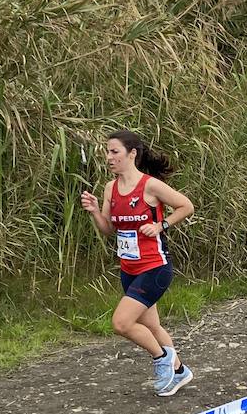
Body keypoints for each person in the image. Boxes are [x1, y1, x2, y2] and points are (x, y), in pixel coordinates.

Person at [80, 130, 195, 397]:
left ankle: (161, 359)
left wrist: (160, 225)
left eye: (114, 152)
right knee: (152, 327)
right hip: (129, 269)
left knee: (121, 323)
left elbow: (186, 206)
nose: (109, 157)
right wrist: (96, 211)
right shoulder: (111, 188)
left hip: (154, 267)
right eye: (107, 152)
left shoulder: (150, 186)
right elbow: (108, 229)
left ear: (132, 154)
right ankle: (179, 372)